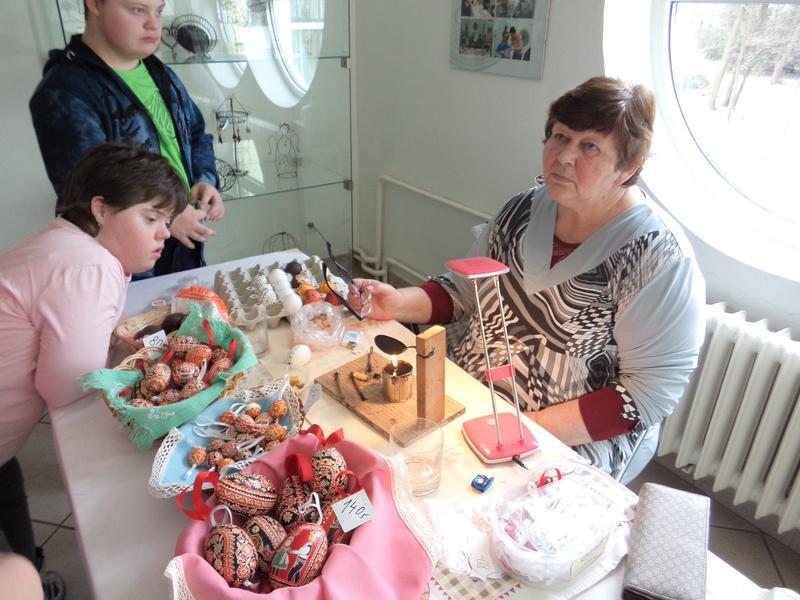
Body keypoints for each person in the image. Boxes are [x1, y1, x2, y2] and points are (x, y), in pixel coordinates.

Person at [348, 77, 705, 480]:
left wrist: (521, 428)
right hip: (473, 396)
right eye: (560, 136)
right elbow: (466, 291)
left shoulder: (657, 259)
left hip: (565, 438)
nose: (563, 157)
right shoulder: (522, 210)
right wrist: (397, 302)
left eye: (590, 146)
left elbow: (646, 395)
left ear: (629, 168)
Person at [0, 143, 187, 599]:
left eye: (167, 221)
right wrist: (116, 359)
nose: (164, 234)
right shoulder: (90, 265)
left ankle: (33, 570)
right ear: (101, 209)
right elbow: (67, 386)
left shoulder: (62, 242)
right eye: (151, 218)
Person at [29, 0, 222, 279]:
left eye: (158, 11)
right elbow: (87, 191)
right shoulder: (64, 91)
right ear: (95, 4)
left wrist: (205, 179)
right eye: (137, 10)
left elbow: (196, 133)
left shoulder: (158, 72)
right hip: (120, 266)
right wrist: (169, 217)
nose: (154, 24)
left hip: (181, 245)